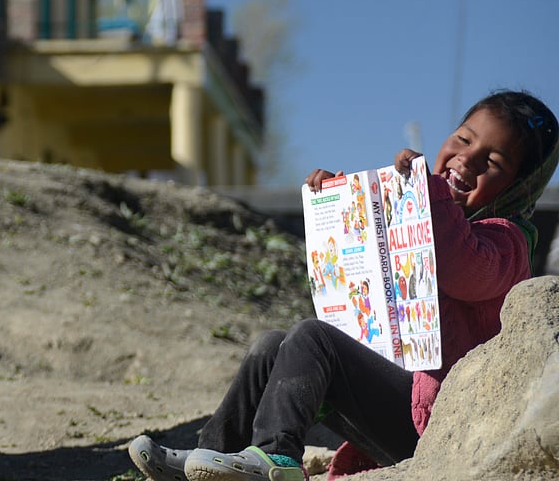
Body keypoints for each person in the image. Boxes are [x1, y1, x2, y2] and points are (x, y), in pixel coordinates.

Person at [128, 89, 558, 481]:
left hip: (438, 425)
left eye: (493, 162)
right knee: (272, 346)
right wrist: (339, 200)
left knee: (312, 337)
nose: (468, 159)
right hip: (400, 404)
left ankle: (276, 458)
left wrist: (427, 192)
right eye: (464, 140)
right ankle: (211, 455)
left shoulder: (508, 243)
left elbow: (455, 263)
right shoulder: (426, 214)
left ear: (518, 188)